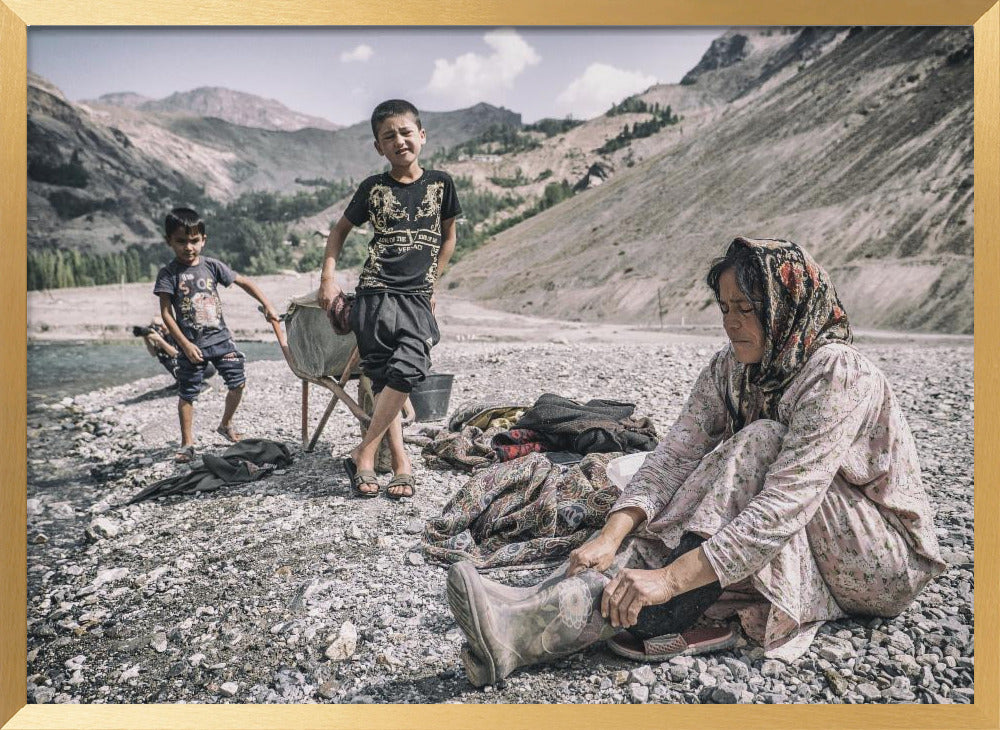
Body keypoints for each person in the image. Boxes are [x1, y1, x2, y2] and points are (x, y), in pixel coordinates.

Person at [446, 237, 946, 687]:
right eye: (724, 307)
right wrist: (611, 535)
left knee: (757, 444)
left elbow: (786, 503)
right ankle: (527, 623)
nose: (731, 322)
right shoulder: (733, 367)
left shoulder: (837, 372)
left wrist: (669, 580)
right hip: (806, 531)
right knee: (671, 510)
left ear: (786, 307)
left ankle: (667, 611)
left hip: (880, 563)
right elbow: (674, 455)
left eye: (746, 308)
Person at [318, 99, 461, 499]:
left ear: (422, 136)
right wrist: (328, 279)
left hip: (415, 296)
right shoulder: (373, 188)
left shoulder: (441, 184)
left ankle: (363, 452)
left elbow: (449, 237)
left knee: (411, 365)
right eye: (388, 136)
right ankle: (400, 462)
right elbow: (338, 232)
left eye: (405, 132)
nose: (399, 141)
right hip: (376, 292)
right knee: (384, 378)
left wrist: (432, 283)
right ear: (378, 146)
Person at [154, 207, 280, 463]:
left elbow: (244, 282)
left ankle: (225, 424)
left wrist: (267, 305)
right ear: (169, 241)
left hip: (221, 340)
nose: (188, 247)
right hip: (192, 347)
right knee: (187, 394)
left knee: (238, 383)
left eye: (194, 240)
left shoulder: (211, 266)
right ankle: (187, 444)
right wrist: (185, 345)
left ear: (203, 240)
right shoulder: (168, 274)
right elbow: (166, 314)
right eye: (181, 241)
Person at [134, 316, 216, 385]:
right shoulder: (160, 339)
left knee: (181, 360)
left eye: (160, 325)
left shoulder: (176, 336)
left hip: (204, 369)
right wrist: (146, 338)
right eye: (154, 326)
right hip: (183, 372)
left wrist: (160, 340)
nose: (159, 328)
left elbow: (176, 354)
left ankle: (200, 384)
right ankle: (180, 382)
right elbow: (153, 353)